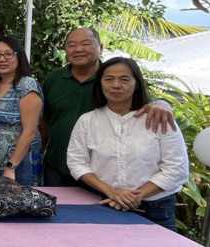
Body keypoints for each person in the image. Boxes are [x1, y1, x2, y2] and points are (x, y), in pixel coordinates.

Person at [42, 28, 176, 187]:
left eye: (86, 44)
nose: (78, 49)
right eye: (71, 45)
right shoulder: (53, 79)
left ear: (101, 48)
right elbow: (44, 119)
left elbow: (142, 100)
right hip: (57, 166)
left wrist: (162, 103)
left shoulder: (112, 77)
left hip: (101, 174)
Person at [67, 57, 188, 231]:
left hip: (156, 209)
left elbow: (177, 168)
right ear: (100, 83)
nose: (116, 85)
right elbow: (77, 163)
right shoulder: (87, 121)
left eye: (124, 79)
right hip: (105, 203)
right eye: (109, 79)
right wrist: (112, 192)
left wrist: (137, 196)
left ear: (136, 83)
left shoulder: (159, 118)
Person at [0, 37, 43, 186]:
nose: (2, 59)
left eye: (8, 54)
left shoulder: (26, 86)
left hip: (19, 159)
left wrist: (11, 167)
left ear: (19, 56)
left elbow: (29, 132)